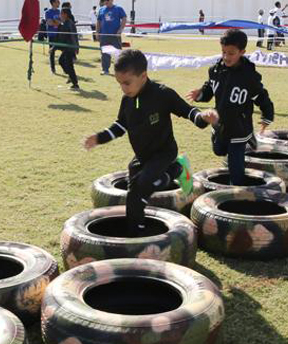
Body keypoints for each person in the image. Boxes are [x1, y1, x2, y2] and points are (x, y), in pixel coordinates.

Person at [83, 49, 217, 235]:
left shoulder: (163, 94)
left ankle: (136, 233)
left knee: (138, 191)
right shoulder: (128, 100)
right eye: (119, 83)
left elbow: (189, 112)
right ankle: (175, 170)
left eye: (127, 83)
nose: (123, 88)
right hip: (143, 156)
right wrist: (99, 137)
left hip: (164, 152)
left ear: (144, 75)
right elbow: (120, 126)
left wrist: (203, 116)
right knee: (134, 180)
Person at [186, 29, 274, 185]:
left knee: (235, 162)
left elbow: (262, 97)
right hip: (220, 125)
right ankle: (241, 139)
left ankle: (236, 187)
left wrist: (267, 116)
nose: (226, 57)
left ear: (242, 52)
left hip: (239, 127)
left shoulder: (249, 77)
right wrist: (200, 94)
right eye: (223, 52)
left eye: (231, 53)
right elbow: (209, 90)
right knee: (219, 150)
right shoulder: (215, 70)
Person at [96, 0, 126, 75]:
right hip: (104, 36)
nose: (106, 2)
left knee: (118, 54)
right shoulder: (101, 10)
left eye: (108, 0)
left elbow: (124, 18)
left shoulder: (118, 8)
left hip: (115, 36)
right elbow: (98, 22)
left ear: (112, 0)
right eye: (105, 0)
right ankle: (105, 69)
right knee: (105, 53)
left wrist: (120, 30)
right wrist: (97, 32)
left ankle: (120, 70)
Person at [57, 7, 80, 90]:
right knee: (61, 61)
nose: (60, 15)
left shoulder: (68, 24)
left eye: (61, 13)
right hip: (68, 47)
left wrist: (76, 47)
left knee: (69, 66)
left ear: (65, 15)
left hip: (69, 48)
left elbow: (70, 36)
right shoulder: (67, 23)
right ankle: (71, 76)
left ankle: (75, 84)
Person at [45, 0, 61, 74]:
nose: (59, 3)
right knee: (52, 52)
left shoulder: (59, 12)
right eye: (57, 1)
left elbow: (60, 22)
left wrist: (55, 21)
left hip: (59, 34)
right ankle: (52, 69)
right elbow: (49, 22)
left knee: (64, 50)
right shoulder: (48, 12)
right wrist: (56, 22)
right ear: (53, 3)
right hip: (51, 34)